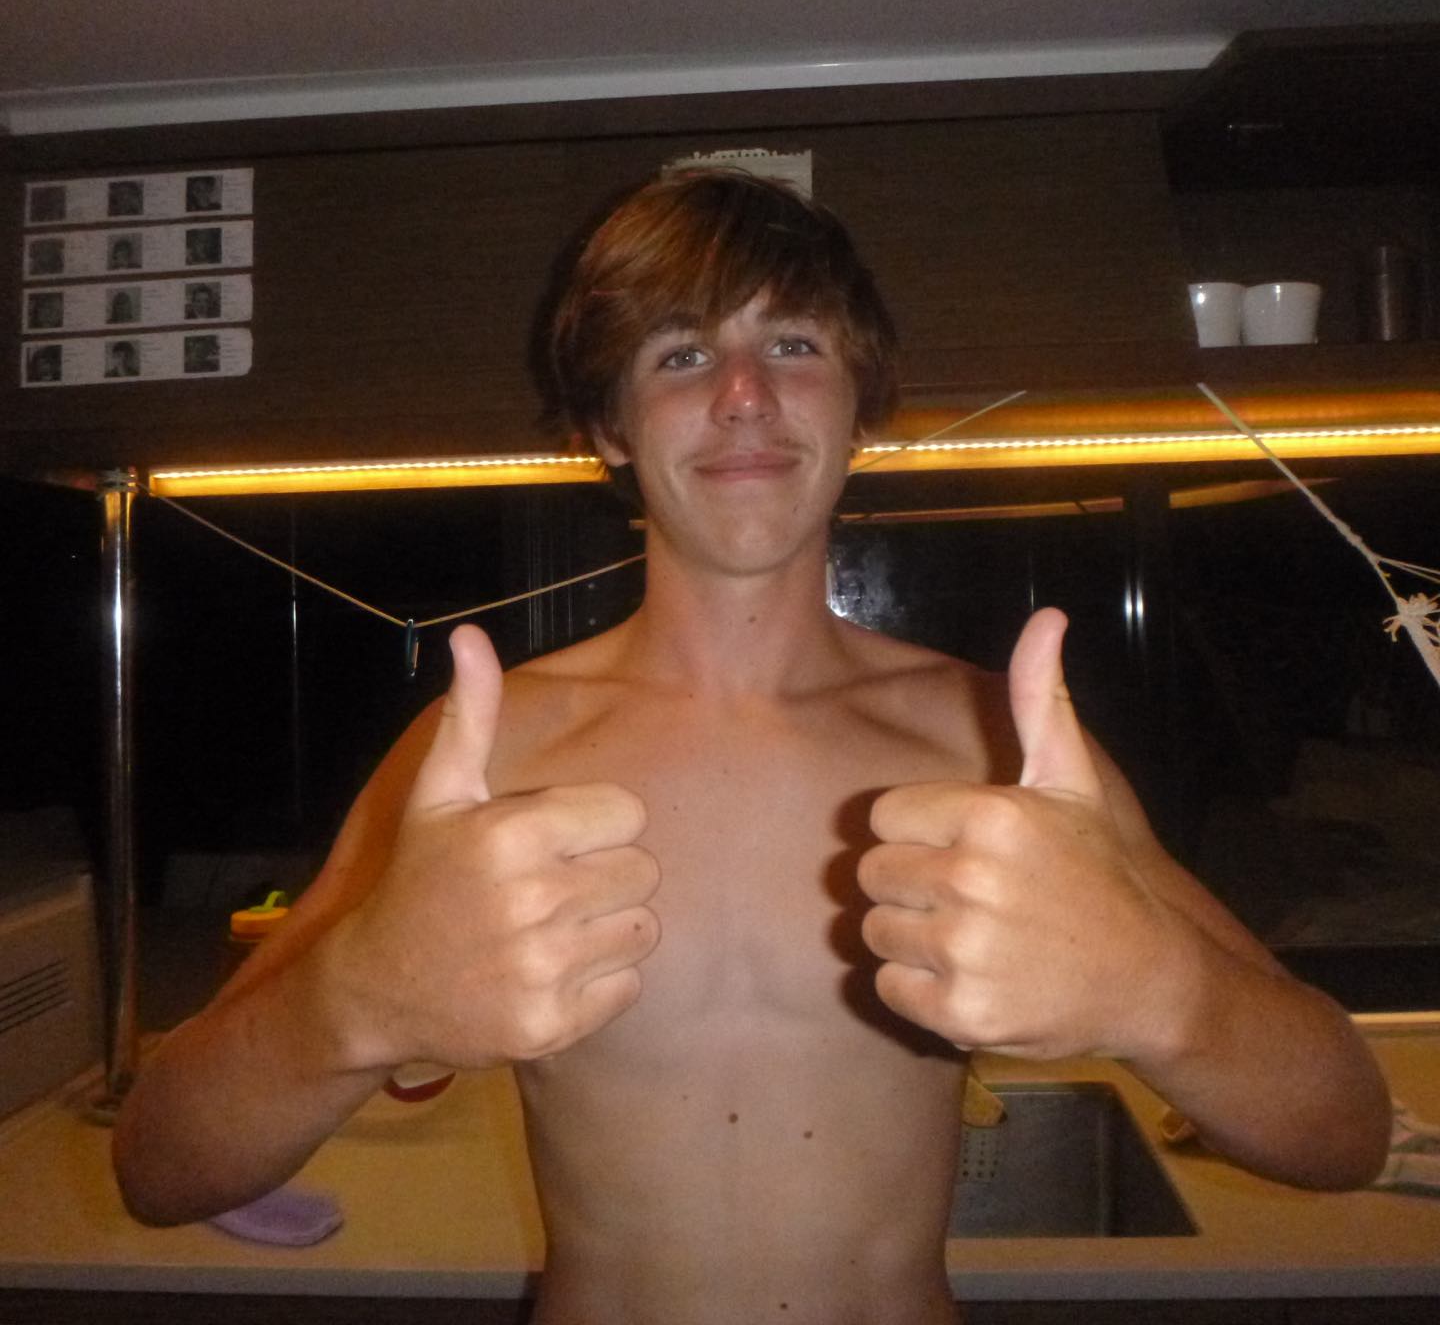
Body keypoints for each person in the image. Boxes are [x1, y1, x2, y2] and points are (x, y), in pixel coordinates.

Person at [113, 171, 1391, 1323]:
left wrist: (1159, 990)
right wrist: (355, 1002)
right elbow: (162, 1169)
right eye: (680, 354)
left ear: (859, 405)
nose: (743, 396)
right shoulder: (486, 751)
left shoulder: (994, 741)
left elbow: (1343, 1133)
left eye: (792, 343)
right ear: (609, 427)